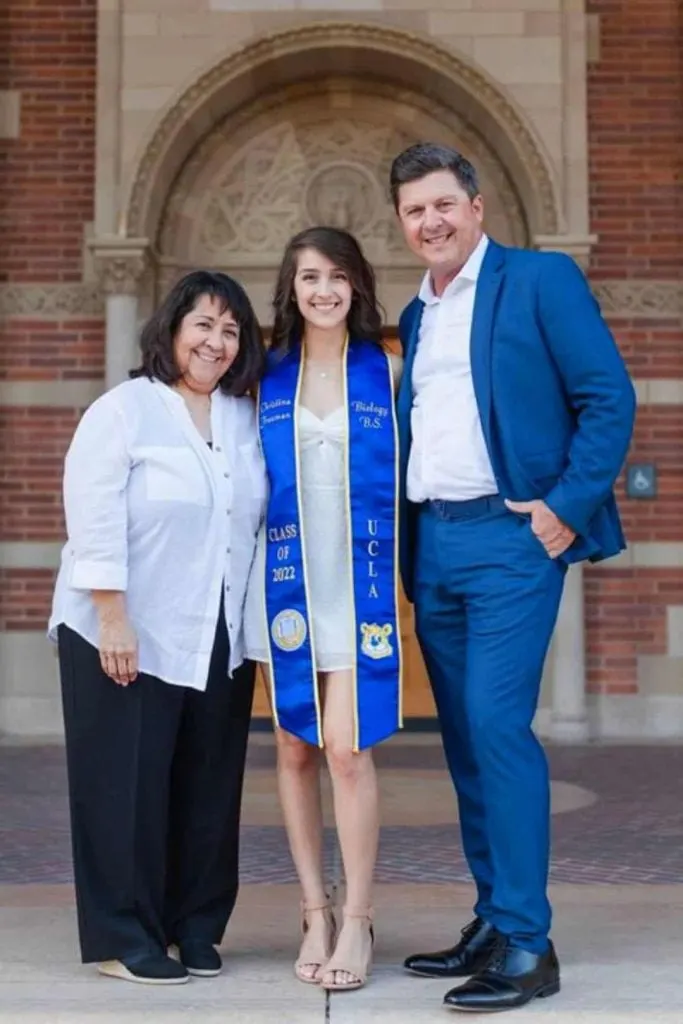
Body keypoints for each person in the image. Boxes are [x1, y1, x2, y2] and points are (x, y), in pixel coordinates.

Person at [390, 143, 635, 1013]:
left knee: (496, 727)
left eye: (444, 204)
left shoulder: (539, 282)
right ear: (402, 223)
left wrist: (563, 506)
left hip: (510, 540)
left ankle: (530, 945)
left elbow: (608, 396)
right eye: (415, 211)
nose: (432, 221)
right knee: (461, 742)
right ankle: (494, 919)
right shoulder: (414, 315)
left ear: (477, 205)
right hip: (438, 544)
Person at [48, 270, 267, 985]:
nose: (216, 342)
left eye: (231, 330)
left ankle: (195, 926)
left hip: (216, 628)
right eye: (203, 324)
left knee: (208, 786)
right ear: (171, 329)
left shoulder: (242, 417)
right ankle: (123, 935)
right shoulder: (123, 411)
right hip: (124, 627)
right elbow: (94, 517)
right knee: (125, 787)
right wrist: (113, 616)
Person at [244, 226, 403, 992]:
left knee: (347, 750)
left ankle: (361, 917)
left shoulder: (388, 372)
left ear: (357, 286)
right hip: (286, 591)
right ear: (292, 286)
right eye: (310, 276)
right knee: (295, 750)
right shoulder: (264, 379)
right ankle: (314, 909)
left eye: (338, 276)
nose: (324, 290)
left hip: (358, 585)